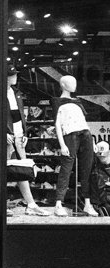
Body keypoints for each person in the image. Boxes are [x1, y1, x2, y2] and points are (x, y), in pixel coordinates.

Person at [7, 68, 45, 215]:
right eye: (12, 74)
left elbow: (19, 115)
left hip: (17, 135)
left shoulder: (15, 92)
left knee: (20, 170)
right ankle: (1, 204)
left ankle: (31, 204)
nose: (15, 76)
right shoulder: (1, 91)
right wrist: (3, 132)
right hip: (8, 136)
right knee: (6, 169)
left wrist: (24, 132)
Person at [54, 75, 93, 216]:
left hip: (86, 134)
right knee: (66, 169)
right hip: (70, 135)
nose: (74, 84)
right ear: (63, 85)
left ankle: (88, 203)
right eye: (71, 82)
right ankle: (59, 203)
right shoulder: (57, 101)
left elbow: (83, 120)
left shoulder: (77, 101)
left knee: (86, 170)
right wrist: (62, 144)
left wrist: (91, 140)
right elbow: (57, 125)